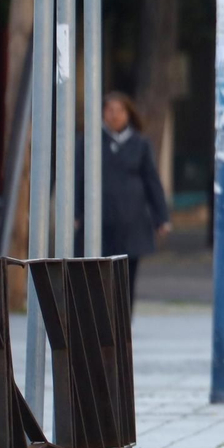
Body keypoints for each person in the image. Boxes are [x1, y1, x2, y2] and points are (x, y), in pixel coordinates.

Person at [76, 92, 170, 304]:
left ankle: (125, 320)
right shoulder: (89, 142)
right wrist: (76, 212)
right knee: (97, 272)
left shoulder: (140, 144)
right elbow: (78, 178)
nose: (114, 115)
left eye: (119, 111)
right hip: (99, 219)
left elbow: (152, 181)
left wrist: (161, 217)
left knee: (127, 274)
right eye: (109, 110)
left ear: (128, 114)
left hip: (132, 220)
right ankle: (101, 317)